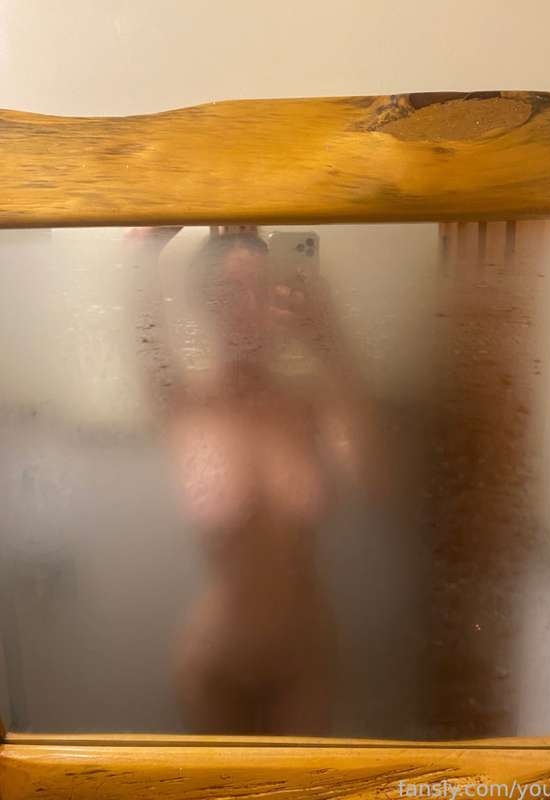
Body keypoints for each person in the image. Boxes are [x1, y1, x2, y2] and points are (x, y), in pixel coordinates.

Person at [125, 226, 389, 735]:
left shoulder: (311, 405)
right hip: (215, 663)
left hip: (305, 659)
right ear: (203, 302)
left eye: (260, 290)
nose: (245, 307)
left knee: (309, 780)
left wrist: (331, 342)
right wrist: (148, 239)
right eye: (228, 291)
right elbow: (144, 330)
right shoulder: (185, 405)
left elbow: (376, 481)